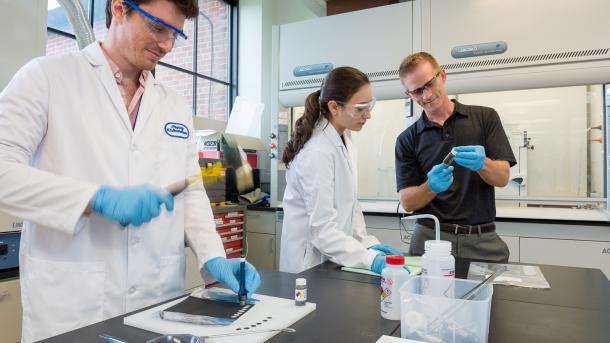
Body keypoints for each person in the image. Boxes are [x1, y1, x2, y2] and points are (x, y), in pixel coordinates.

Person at [0, 1, 260, 341]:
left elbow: (191, 190)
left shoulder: (174, 105)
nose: (167, 45)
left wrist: (213, 256)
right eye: (157, 28)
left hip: (158, 298)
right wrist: (95, 199)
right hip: (74, 305)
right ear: (120, 9)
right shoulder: (47, 77)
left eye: (175, 34)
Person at [280, 66, 406, 274]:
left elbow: (351, 205)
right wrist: (368, 259)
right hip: (309, 263)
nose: (368, 115)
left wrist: (366, 243)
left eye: (369, 106)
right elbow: (322, 229)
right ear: (334, 107)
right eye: (360, 108)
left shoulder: (344, 138)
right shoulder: (317, 151)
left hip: (335, 257)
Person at [395, 52, 516, 262]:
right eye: (416, 91)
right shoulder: (407, 139)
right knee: (425, 295)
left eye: (429, 84)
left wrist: (483, 164)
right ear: (409, 94)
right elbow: (407, 203)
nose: (426, 95)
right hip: (430, 239)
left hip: (482, 240)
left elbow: (502, 177)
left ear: (442, 75)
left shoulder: (485, 118)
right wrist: (430, 187)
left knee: (491, 295)